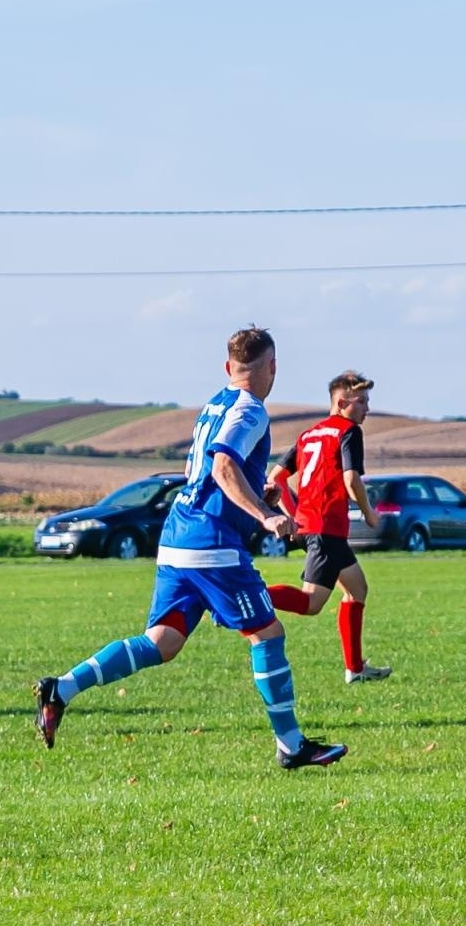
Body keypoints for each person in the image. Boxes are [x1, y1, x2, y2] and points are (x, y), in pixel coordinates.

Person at [35, 327, 347, 770]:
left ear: (228, 368)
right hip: (212, 544)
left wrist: (259, 498)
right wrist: (266, 516)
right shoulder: (251, 409)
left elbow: (208, 473)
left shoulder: (215, 403)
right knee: (268, 633)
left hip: (177, 537)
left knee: (161, 643)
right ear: (272, 367)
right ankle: (292, 745)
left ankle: (61, 688)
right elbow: (221, 468)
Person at [263, 370, 390, 684]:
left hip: (315, 527)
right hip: (325, 529)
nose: (367, 408)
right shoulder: (348, 431)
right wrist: (369, 513)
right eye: (361, 401)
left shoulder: (309, 434)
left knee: (357, 589)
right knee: (311, 603)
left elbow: (275, 478)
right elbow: (351, 479)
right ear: (341, 402)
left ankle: (355, 668)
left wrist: (294, 515)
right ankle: (240, 596)